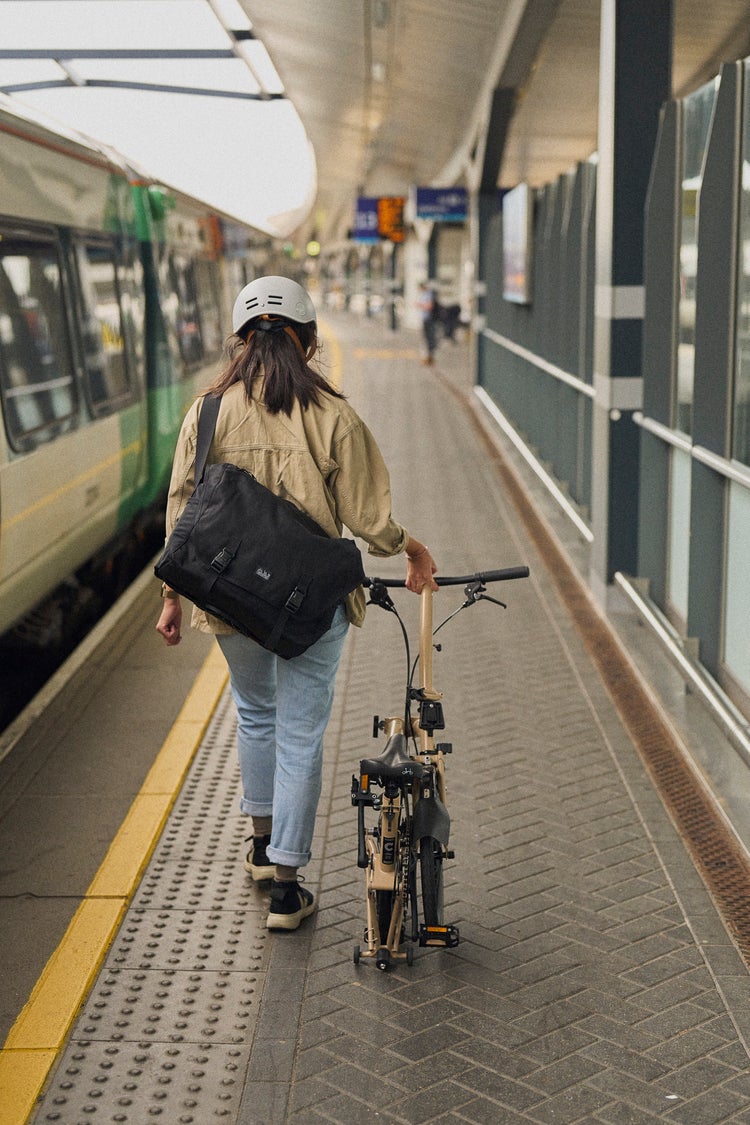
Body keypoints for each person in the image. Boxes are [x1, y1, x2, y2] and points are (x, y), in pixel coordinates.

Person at [156, 276, 437, 932]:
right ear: (308, 342)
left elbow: (181, 512)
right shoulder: (333, 413)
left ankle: (259, 848)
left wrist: (171, 596)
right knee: (300, 734)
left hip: (228, 596)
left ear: (239, 340)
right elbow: (370, 518)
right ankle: (287, 887)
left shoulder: (206, 412)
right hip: (308, 605)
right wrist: (412, 548)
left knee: (255, 715)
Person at [417, 280, 439, 365]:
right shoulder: (425, 294)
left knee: (429, 338)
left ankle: (430, 357)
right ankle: (427, 357)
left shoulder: (428, 294)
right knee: (426, 338)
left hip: (429, 319)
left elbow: (429, 306)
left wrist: (420, 305)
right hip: (426, 319)